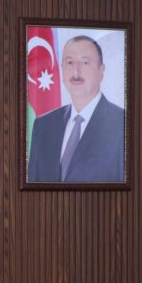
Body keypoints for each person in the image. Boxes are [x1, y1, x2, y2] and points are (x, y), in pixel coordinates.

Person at [28, 35, 125, 183]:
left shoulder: (122, 124)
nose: (76, 72)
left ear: (101, 70)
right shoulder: (43, 125)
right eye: (70, 62)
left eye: (85, 62)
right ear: (62, 69)